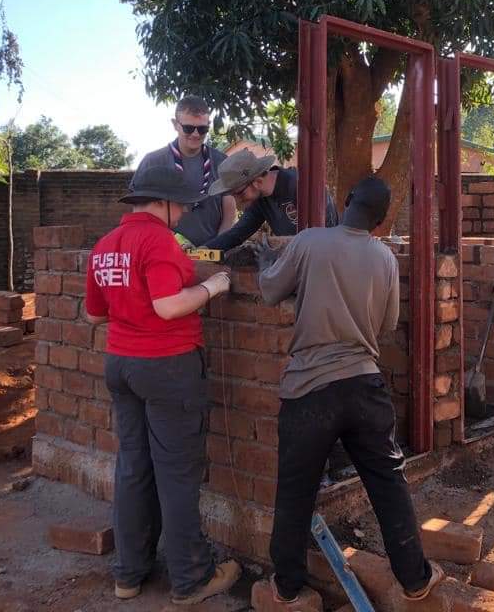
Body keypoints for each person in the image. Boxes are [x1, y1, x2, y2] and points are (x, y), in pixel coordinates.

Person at [256, 175, 444, 606]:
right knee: (387, 482)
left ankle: (286, 587)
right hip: (365, 387)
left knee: (296, 490)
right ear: (379, 222)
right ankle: (415, 579)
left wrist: (266, 260)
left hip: (309, 389)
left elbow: (269, 292)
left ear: (346, 201)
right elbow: (387, 325)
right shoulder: (385, 259)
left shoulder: (309, 242)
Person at [84, 165, 241, 605]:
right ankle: (191, 578)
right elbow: (170, 306)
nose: (185, 215)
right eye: (183, 207)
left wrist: (130, 310)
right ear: (162, 203)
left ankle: (128, 574)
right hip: (167, 366)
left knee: (133, 466)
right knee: (177, 472)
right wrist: (214, 286)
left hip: (121, 365)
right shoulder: (157, 240)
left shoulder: (105, 245)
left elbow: (95, 315)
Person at [132, 95, 237, 247]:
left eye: (202, 129)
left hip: (210, 253)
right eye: (188, 128)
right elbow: (139, 212)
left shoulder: (221, 161)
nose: (195, 134)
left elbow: (229, 212)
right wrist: (168, 243)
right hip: (163, 250)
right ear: (175, 124)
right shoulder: (152, 161)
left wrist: (217, 247)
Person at [201, 148, 339, 252]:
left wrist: (273, 243)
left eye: (239, 193)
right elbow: (236, 234)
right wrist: (201, 252)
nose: (236, 202)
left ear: (257, 181)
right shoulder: (260, 201)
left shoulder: (300, 186)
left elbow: (324, 237)